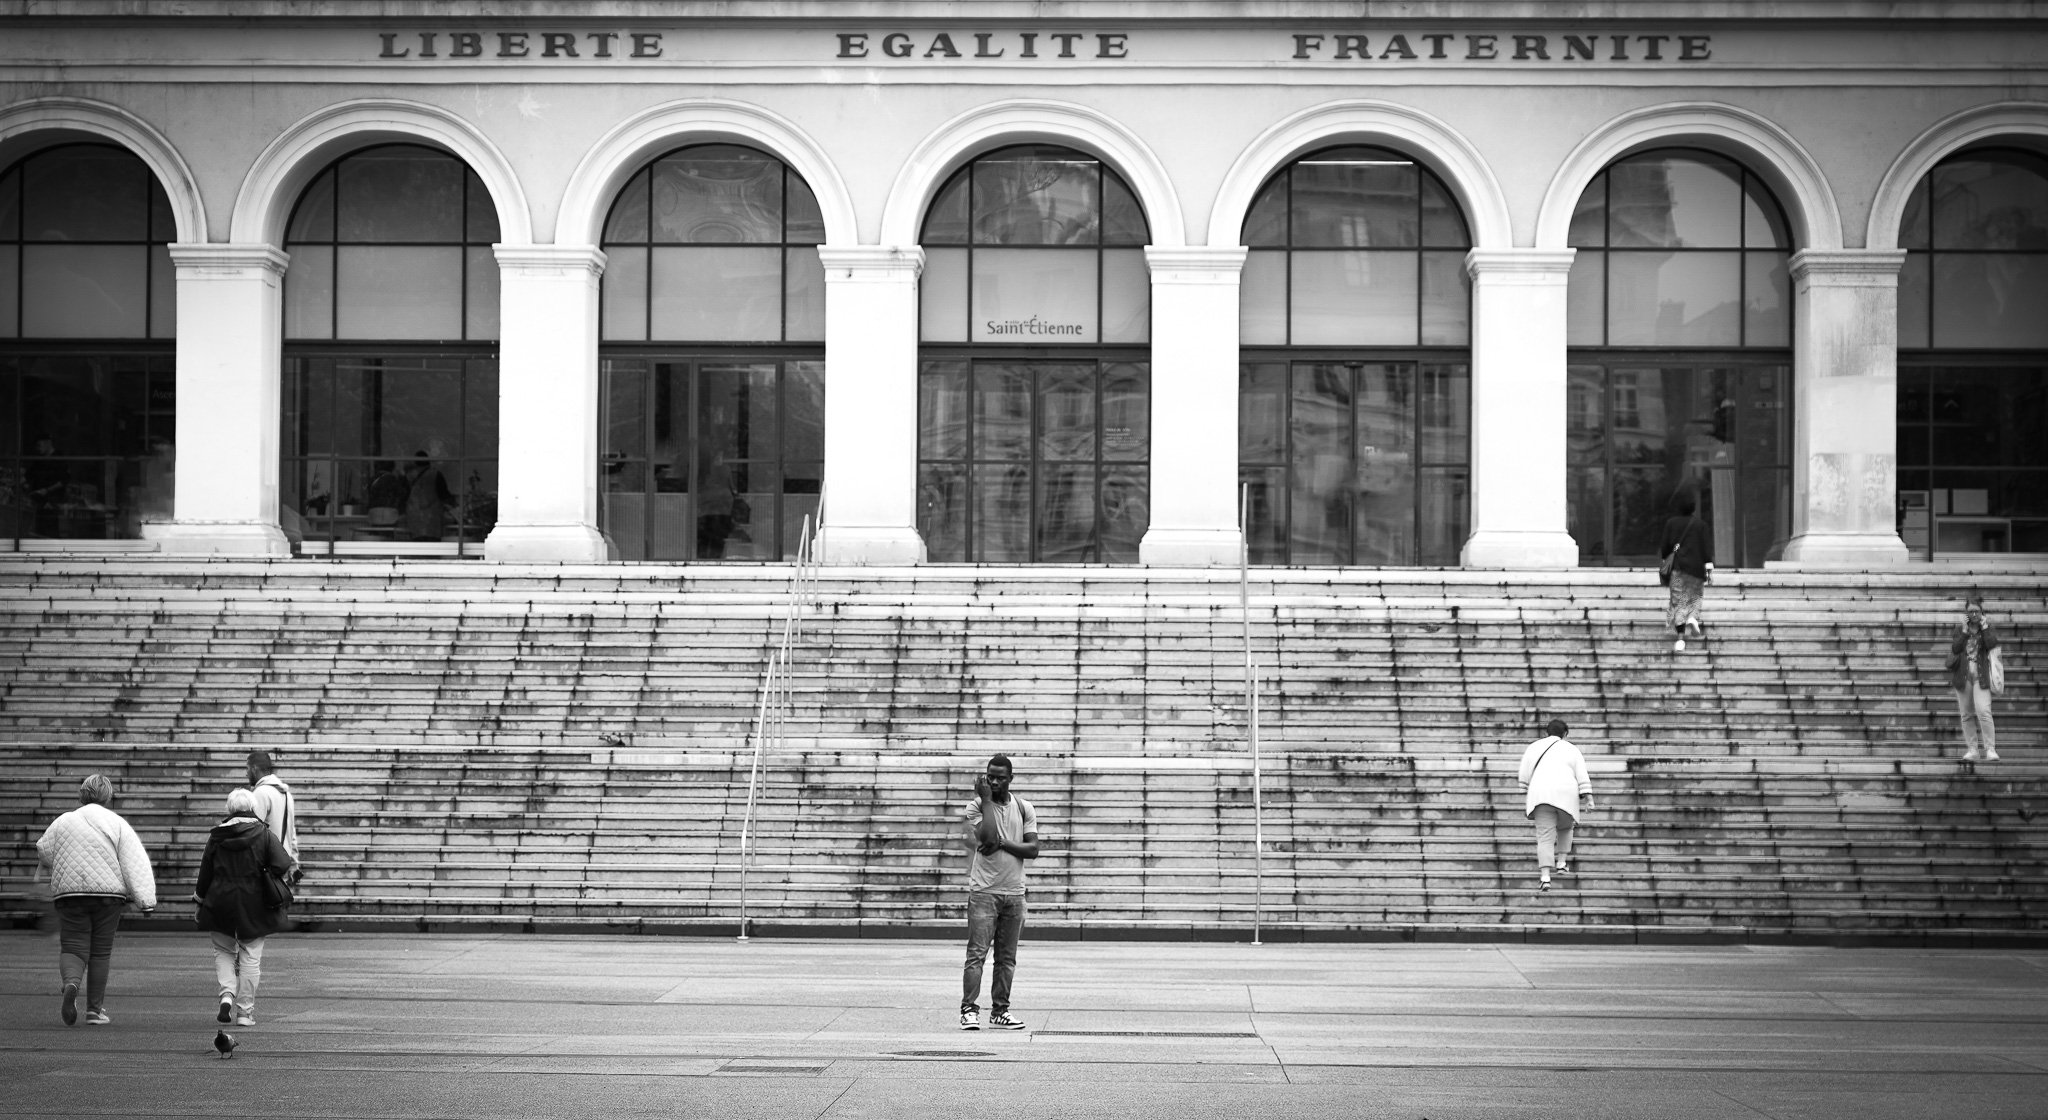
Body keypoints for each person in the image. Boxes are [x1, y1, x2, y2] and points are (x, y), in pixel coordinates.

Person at [34, 774, 157, 1026]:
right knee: (100, 952)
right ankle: (94, 1011)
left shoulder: (64, 820)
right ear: (107, 796)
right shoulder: (116, 823)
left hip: (69, 894)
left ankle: (71, 983)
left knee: (72, 946)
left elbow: (44, 851)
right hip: (107, 896)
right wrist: (145, 901)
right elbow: (134, 862)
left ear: (82, 794)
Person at [194, 788, 294, 1026]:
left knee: (223, 950)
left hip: (220, 900)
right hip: (254, 903)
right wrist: (265, 870)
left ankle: (227, 994)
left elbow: (205, 872)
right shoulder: (264, 834)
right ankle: (244, 1013)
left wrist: (199, 901)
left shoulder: (217, 836)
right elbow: (283, 863)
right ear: (252, 808)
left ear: (230, 809)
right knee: (250, 955)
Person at [959, 754, 1038, 1031]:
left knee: (1007, 958)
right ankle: (969, 1010)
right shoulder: (976, 806)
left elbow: (1033, 849)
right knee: (977, 954)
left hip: (1014, 893)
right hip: (984, 891)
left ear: (1010, 779)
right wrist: (987, 801)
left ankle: (1000, 1011)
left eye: (1000, 778)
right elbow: (988, 837)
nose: (993, 782)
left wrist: (1003, 843)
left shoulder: (1024, 808)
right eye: (990, 776)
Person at [1517, 719, 1593, 892]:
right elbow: (1582, 774)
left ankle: (1545, 877)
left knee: (1544, 836)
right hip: (1567, 795)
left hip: (1541, 795)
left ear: (1547, 732)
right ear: (1565, 734)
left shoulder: (1534, 747)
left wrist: (1524, 789)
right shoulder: (1572, 749)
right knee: (1566, 828)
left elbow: (1524, 772)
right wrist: (1589, 798)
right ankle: (1561, 863)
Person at [1946, 594, 2004, 762]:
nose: (1974, 614)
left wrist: (1984, 628)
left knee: (1984, 712)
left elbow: (1992, 645)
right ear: (1966, 613)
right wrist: (1965, 631)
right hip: (1963, 676)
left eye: (1977, 611)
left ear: (1981, 612)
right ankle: (1972, 749)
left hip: (1981, 677)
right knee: (1966, 714)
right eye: (1970, 611)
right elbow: (1956, 649)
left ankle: (1990, 749)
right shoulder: (1960, 630)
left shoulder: (1988, 629)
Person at [1659, 485, 1714, 652]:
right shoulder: (1701, 525)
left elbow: (1665, 548)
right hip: (1696, 570)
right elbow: (1706, 550)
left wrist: (1667, 558)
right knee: (1695, 597)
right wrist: (1709, 569)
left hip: (1677, 569)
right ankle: (1693, 618)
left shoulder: (1671, 524)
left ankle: (1680, 639)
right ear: (1693, 508)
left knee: (1679, 602)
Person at [245, 751, 302, 876]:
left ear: (254, 769)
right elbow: (291, 833)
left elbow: (252, 833)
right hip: (282, 866)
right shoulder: (287, 795)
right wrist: (294, 864)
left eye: (247, 768)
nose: (246, 773)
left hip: (265, 869)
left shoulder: (260, 793)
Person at [403, 451, 451, 541]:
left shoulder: (408, 476)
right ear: (428, 461)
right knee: (432, 547)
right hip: (433, 522)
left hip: (414, 522)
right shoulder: (435, 474)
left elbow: (403, 497)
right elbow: (444, 495)